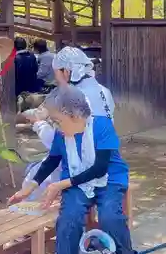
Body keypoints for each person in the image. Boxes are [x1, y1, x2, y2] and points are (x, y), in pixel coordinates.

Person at [8, 87, 148, 254]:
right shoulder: (62, 134)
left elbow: (100, 167)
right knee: (69, 218)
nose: (54, 125)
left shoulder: (101, 125)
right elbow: (51, 162)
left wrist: (60, 185)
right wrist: (29, 188)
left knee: (111, 215)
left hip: (109, 177)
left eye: (57, 120)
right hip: (75, 181)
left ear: (74, 116)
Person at [22, 46, 115, 202]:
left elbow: (56, 142)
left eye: (56, 72)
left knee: (33, 178)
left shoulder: (68, 96)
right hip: (105, 158)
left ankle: (35, 220)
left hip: (80, 163)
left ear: (65, 71)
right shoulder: (104, 91)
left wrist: (39, 124)